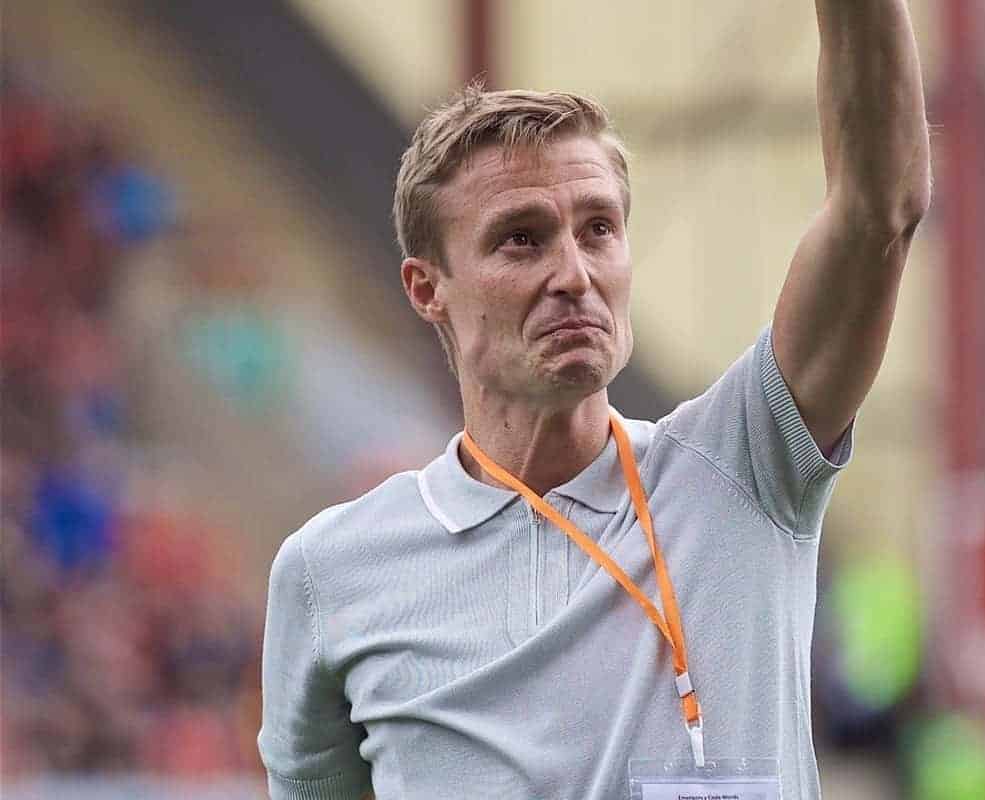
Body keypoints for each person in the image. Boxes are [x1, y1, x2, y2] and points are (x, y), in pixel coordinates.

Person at [258, 2, 930, 798]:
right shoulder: (330, 574)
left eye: (599, 229)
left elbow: (876, 210)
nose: (574, 274)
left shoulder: (744, 464)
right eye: (522, 238)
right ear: (427, 287)